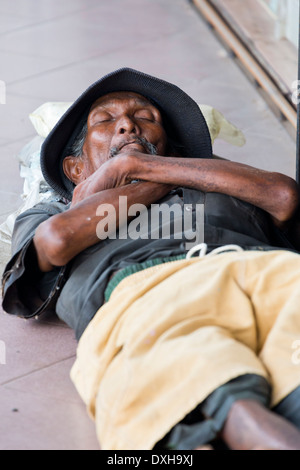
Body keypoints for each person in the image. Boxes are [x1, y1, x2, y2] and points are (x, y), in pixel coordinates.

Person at [2, 67, 300, 451]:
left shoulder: (219, 182)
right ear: (76, 169)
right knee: (203, 376)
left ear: (174, 151)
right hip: (147, 290)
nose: (127, 124)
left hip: (261, 267)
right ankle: (241, 420)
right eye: (105, 121)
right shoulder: (51, 211)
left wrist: (135, 166)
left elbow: (283, 195)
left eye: (145, 117)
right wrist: (145, 173)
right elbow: (58, 240)